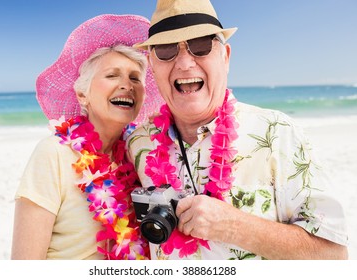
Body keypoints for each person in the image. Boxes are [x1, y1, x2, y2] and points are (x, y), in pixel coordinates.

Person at [127, 0, 349, 260]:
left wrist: (235, 226)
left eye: (201, 45)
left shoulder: (277, 133)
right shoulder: (138, 144)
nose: (185, 63)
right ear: (152, 65)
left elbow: (334, 256)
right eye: (166, 49)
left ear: (226, 57)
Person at [11, 14, 163, 260]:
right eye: (112, 75)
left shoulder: (140, 156)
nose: (127, 85)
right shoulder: (53, 154)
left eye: (135, 78)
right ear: (83, 95)